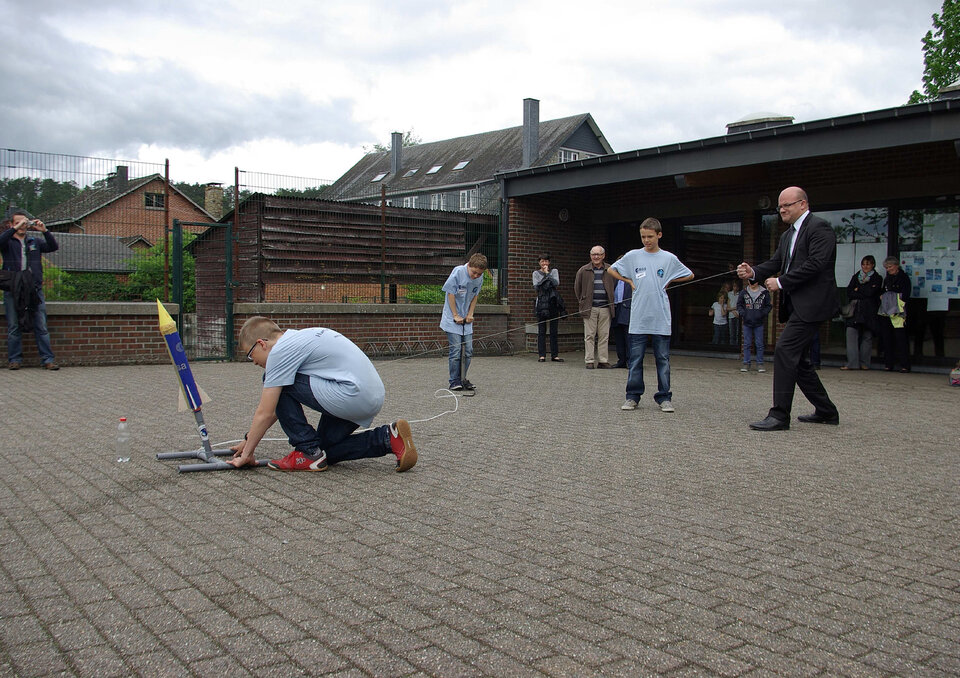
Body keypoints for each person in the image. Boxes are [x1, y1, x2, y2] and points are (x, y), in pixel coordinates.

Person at [228, 316, 417, 472]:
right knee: (323, 453)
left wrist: (247, 455)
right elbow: (278, 409)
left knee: (271, 380)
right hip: (368, 397)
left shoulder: (280, 352)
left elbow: (266, 411)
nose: (253, 362)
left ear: (261, 344)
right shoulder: (299, 337)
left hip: (350, 395)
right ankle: (387, 438)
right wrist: (248, 440)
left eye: (251, 355)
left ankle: (306, 450)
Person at [737, 187, 840, 430]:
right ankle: (827, 411)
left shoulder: (820, 228)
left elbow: (817, 263)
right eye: (780, 206)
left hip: (814, 305)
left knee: (784, 350)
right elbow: (775, 263)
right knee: (799, 360)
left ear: (803, 204)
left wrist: (781, 282)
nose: (782, 209)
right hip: (797, 306)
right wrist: (753, 272)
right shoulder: (787, 236)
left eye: (787, 205)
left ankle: (779, 415)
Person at [609, 218, 694, 413]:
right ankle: (632, 397)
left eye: (650, 237)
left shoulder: (669, 258)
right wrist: (628, 280)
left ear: (659, 235)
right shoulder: (633, 256)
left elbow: (689, 274)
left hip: (661, 318)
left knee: (662, 359)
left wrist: (670, 280)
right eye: (643, 237)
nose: (646, 240)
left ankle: (664, 397)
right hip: (638, 318)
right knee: (635, 359)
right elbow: (611, 269)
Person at [0, 209, 59, 370]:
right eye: (18, 222)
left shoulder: (34, 241)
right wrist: (13, 229)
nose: (22, 225)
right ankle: (14, 359)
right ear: (11, 224)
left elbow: (53, 247)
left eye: (24, 222)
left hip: (34, 289)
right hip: (13, 289)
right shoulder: (8, 242)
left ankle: (47, 359)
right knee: (13, 326)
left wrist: (45, 231)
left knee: (41, 325)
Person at [441, 252, 487, 390]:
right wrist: (455, 315)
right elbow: (450, 294)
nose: (476, 276)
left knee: (468, 350)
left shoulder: (480, 277)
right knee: (455, 351)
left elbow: (475, 296)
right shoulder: (458, 272)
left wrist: (470, 313)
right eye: (474, 273)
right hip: (452, 318)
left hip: (466, 320)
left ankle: (463, 378)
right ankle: (454, 381)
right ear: (469, 266)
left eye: (479, 274)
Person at [574, 245, 615, 369]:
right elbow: (577, 287)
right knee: (589, 335)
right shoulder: (583, 270)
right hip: (589, 308)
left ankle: (603, 360)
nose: (596, 257)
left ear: (603, 256)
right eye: (593, 254)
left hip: (606, 308)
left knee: (604, 335)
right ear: (590, 256)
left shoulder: (610, 269)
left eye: (598, 254)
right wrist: (582, 301)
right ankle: (589, 360)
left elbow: (615, 285)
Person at [842, 255, 882, 370]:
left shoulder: (877, 278)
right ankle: (852, 363)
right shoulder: (856, 277)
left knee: (867, 337)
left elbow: (871, 292)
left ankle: (865, 363)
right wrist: (862, 291)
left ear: (873, 265)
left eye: (868, 264)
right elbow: (849, 292)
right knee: (851, 335)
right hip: (855, 311)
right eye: (863, 264)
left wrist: (858, 289)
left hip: (869, 311)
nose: (865, 266)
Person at [878, 256, 911, 373]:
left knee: (900, 339)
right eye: (886, 268)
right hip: (886, 311)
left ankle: (905, 365)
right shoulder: (887, 279)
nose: (888, 269)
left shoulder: (904, 278)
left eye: (890, 267)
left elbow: (906, 294)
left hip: (898, 312)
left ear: (896, 265)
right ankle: (888, 364)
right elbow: (882, 291)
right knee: (887, 338)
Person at [532, 254, 563, 362]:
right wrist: (546, 279)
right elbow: (537, 286)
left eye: (546, 261)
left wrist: (546, 274)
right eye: (542, 261)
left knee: (554, 330)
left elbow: (555, 283)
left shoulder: (554, 271)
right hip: (541, 304)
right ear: (539, 263)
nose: (544, 263)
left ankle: (554, 355)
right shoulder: (535, 273)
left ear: (549, 262)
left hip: (553, 303)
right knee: (542, 331)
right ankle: (542, 355)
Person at [736, 278, 771, 372]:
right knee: (746, 344)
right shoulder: (743, 292)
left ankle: (760, 363)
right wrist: (744, 314)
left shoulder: (764, 293)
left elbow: (768, 306)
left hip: (759, 322)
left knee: (759, 344)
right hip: (747, 322)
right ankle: (746, 363)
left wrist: (762, 314)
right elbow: (739, 305)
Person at [612, 275, 632, 368]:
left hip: (628, 309)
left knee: (628, 337)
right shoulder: (615, 279)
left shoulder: (632, 279)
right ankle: (621, 360)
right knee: (618, 336)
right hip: (616, 308)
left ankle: (630, 361)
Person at [726, 281, 741, 347]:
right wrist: (734, 310)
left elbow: (740, 305)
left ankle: (737, 345)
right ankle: (732, 345)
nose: (735, 288)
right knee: (732, 332)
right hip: (731, 315)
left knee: (738, 332)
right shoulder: (729, 294)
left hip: (738, 315)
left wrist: (734, 310)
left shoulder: (740, 294)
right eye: (734, 286)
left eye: (736, 286)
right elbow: (728, 307)